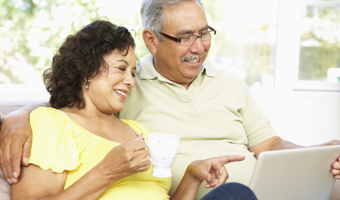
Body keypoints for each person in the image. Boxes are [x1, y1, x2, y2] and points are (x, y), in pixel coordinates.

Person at [0, 0, 339, 199]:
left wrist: (321, 154)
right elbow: (66, 108)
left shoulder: (135, 129)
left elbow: (271, 144)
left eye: (204, 33)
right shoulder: (109, 101)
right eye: (185, 37)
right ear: (152, 40)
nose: (199, 47)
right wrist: (17, 118)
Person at [8, 19, 258, 200]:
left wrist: (193, 175)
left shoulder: (137, 131)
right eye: (120, 68)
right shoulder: (55, 123)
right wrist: (108, 171)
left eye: (133, 72)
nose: (130, 80)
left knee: (235, 194)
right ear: (86, 70)